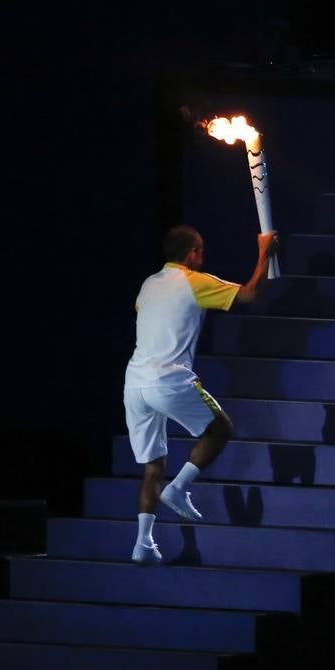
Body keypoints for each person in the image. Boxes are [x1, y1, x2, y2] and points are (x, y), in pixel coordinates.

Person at [124, 225, 279, 565]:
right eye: (201, 250)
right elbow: (251, 294)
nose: (202, 255)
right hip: (170, 380)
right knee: (221, 429)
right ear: (192, 252)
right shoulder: (195, 282)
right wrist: (264, 253)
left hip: (134, 383)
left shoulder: (149, 284)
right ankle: (178, 488)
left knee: (153, 466)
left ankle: (143, 544)